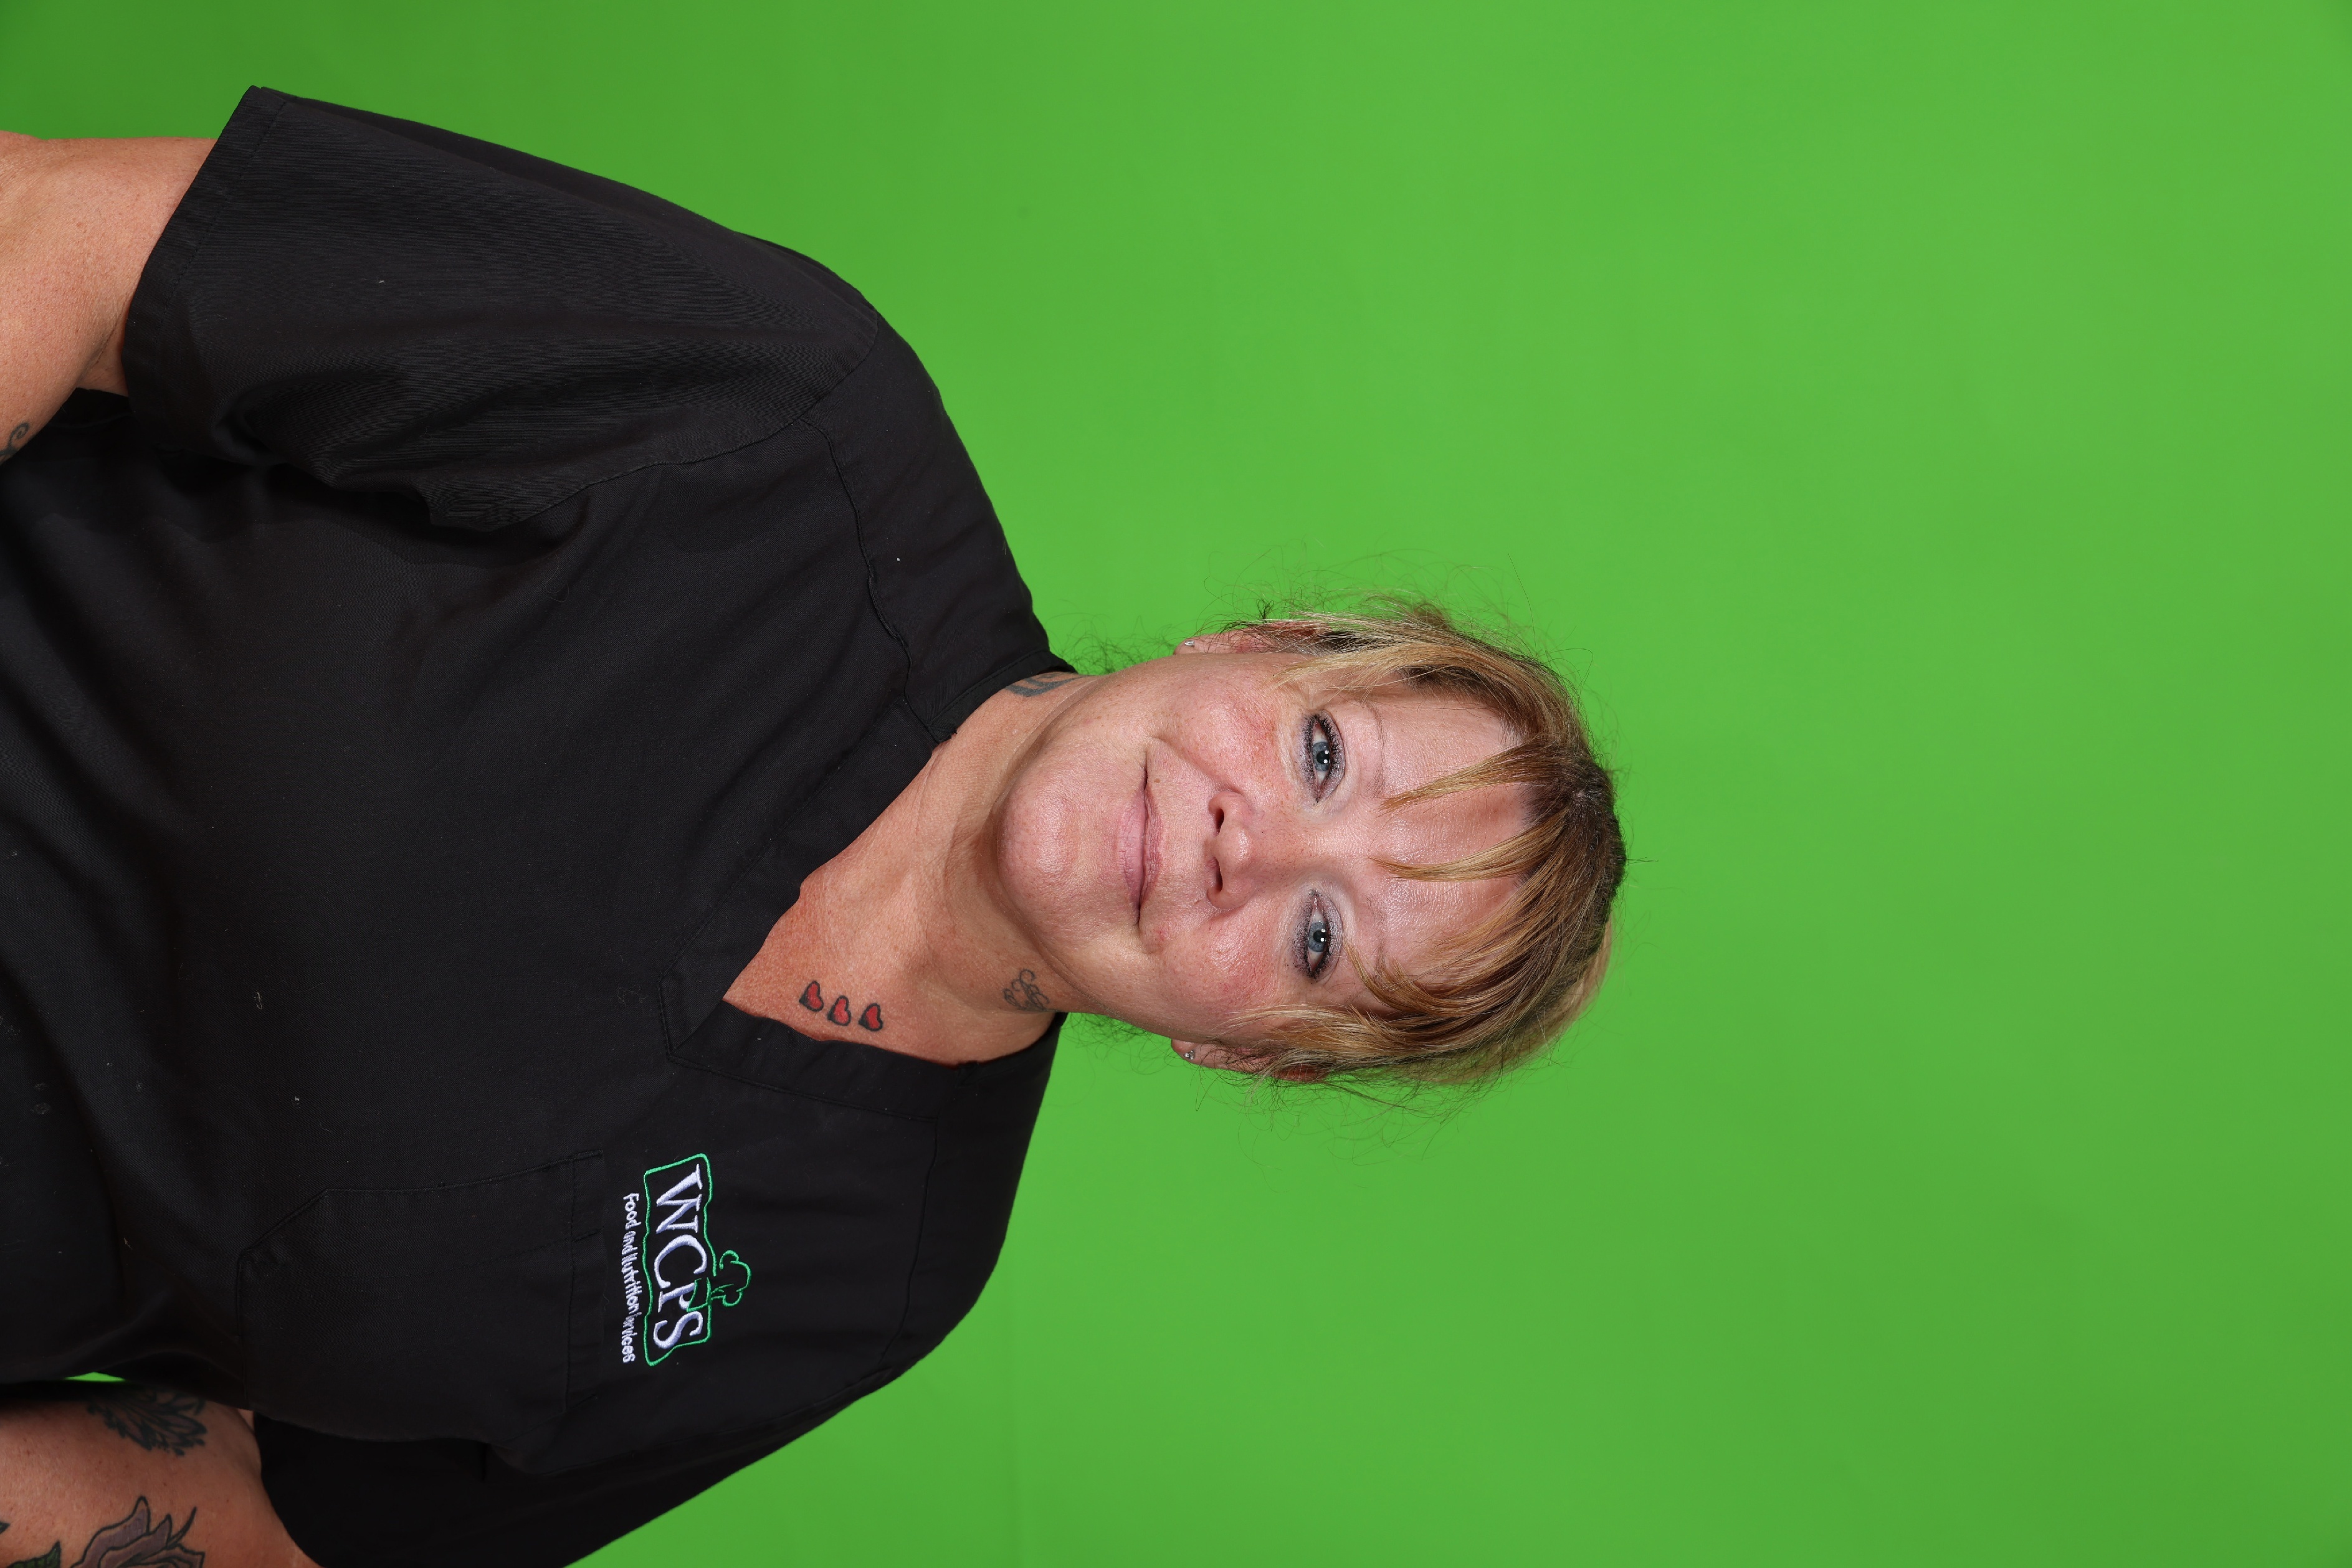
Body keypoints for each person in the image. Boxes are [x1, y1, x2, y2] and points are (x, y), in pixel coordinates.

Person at [0, 90, 1625, 1567]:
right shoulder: (785, 417)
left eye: (1318, 938)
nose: (1243, 848)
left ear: (1253, 1052)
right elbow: (68, 231)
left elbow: (278, 1517)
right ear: (1256, 647)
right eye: (1322, 756)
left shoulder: (868, 1277)